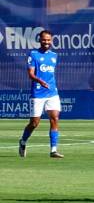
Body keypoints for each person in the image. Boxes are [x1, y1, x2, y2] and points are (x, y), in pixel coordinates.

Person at [18, 29, 64, 158]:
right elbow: (30, 74)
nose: (46, 42)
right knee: (34, 123)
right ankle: (23, 141)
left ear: (51, 41)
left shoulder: (54, 55)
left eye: (48, 40)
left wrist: (48, 84)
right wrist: (40, 81)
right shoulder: (33, 55)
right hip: (38, 92)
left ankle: (53, 150)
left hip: (52, 92)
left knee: (55, 118)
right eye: (44, 39)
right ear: (40, 40)